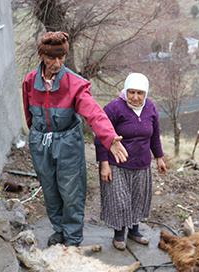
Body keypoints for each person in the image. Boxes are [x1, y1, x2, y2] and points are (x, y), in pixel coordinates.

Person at [22, 31, 128, 247]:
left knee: (71, 190)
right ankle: (59, 230)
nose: (57, 63)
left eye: (61, 58)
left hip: (68, 143)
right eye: (52, 58)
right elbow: (29, 114)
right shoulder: (30, 81)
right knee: (50, 189)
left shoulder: (76, 84)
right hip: (41, 142)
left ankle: (72, 238)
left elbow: (94, 113)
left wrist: (110, 138)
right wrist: (36, 136)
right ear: (41, 56)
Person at [95, 73, 167, 251]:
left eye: (140, 93)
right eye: (131, 92)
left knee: (137, 199)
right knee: (120, 201)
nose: (135, 97)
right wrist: (104, 164)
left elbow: (155, 135)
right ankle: (119, 235)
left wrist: (159, 158)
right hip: (116, 163)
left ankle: (134, 232)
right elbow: (100, 136)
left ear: (146, 93)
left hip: (141, 164)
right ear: (125, 90)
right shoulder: (113, 108)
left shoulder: (151, 107)